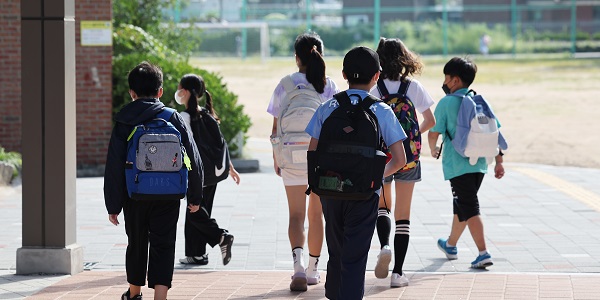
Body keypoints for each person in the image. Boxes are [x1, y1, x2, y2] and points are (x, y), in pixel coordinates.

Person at [305, 46, 407, 300]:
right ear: (376, 76)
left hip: (330, 190)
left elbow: (313, 152)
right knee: (355, 255)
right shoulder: (381, 110)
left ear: (343, 74)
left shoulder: (327, 107)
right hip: (364, 193)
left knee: (336, 250)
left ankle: (334, 294)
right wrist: (374, 177)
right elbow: (401, 158)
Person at [104, 61, 204, 300]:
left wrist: (113, 204)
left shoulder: (124, 120)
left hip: (134, 194)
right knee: (164, 243)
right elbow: (193, 156)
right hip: (169, 193)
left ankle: (135, 293)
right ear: (160, 92)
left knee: (136, 242)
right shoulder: (173, 117)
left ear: (131, 93)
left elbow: (114, 164)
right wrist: (195, 195)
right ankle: (160, 296)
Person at [267, 32, 340, 291]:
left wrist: (278, 159)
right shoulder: (328, 85)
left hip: (291, 157)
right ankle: (312, 270)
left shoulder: (285, 84)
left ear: (296, 58)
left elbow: (275, 128)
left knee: (296, 214)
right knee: (316, 214)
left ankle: (296, 266)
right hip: (319, 158)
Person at [370, 37, 436, 287]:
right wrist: (412, 135)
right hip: (409, 157)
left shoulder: (376, 89)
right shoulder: (413, 87)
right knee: (404, 216)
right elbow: (430, 120)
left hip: (383, 157)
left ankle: (384, 245)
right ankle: (398, 273)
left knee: (383, 207)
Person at [428, 57, 505, 269]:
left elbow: (434, 131)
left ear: (455, 80)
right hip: (480, 163)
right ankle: (451, 244)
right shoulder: (479, 100)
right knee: (461, 205)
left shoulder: (446, 103)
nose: (444, 82)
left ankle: (483, 252)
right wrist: (499, 161)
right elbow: (495, 131)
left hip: (458, 165)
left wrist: (433, 148)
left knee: (469, 207)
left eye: (446, 77)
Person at [175, 74, 239, 266]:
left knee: (194, 210)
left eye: (179, 88)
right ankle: (197, 254)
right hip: (213, 173)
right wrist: (230, 167)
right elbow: (219, 144)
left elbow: (182, 146)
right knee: (200, 210)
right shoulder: (207, 115)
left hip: (195, 173)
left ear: (184, 92)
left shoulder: (184, 117)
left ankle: (221, 236)